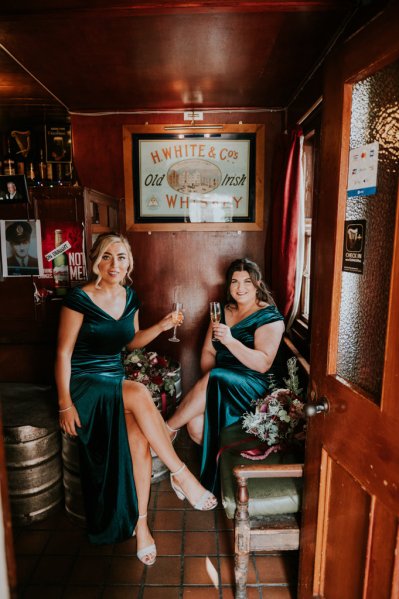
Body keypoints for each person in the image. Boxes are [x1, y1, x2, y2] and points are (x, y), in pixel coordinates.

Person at [55, 232, 217, 564]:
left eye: (122, 257)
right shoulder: (79, 298)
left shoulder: (130, 297)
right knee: (140, 391)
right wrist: (64, 403)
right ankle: (181, 474)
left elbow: (130, 343)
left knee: (139, 439)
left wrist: (161, 326)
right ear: (96, 260)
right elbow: (62, 354)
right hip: (84, 384)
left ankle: (141, 525)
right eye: (106, 256)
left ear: (130, 262)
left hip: (114, 382)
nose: (114, 264)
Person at [165, 258, 285, 493]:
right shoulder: (222, 311)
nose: (240, 287)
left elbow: (263, 363)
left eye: (247, 281)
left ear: (258, 283)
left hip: (254, 386)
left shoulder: (269, 317)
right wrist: (212, 388)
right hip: (222, 382)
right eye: (234, 282)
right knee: (195, 423)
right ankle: (200, 477)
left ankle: (165, 432)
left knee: (217, 376)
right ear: (228, 286)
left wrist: (229, 342)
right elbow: (208, 351)